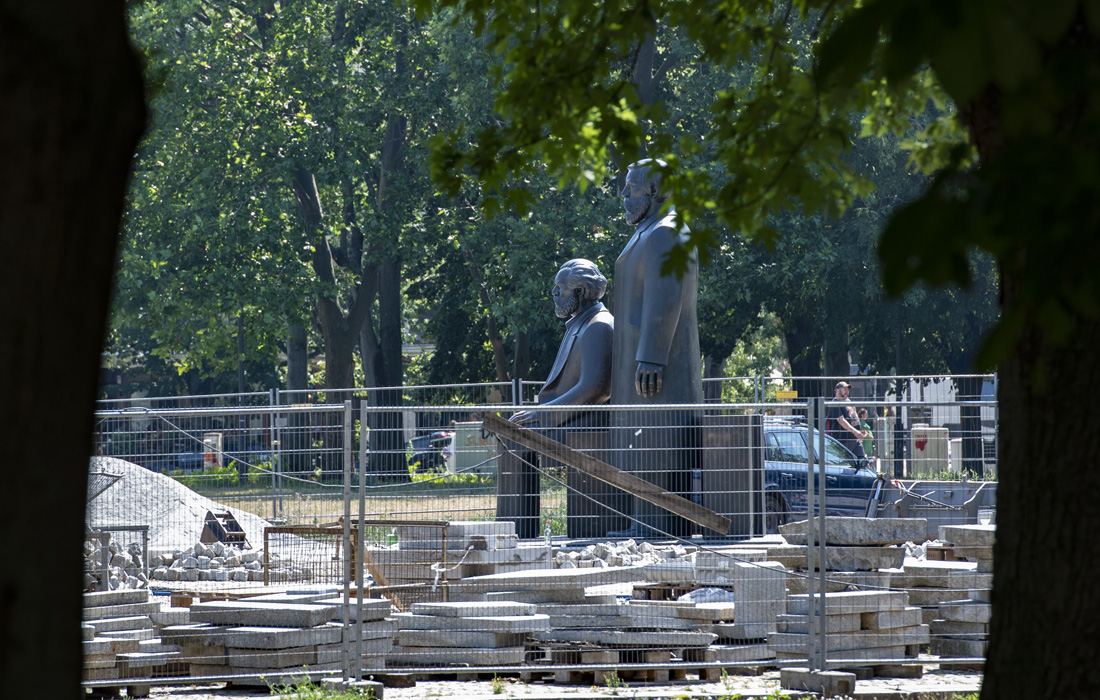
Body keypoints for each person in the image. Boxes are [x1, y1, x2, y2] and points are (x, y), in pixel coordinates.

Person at [608, 159, 703, 538]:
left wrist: (651, 354)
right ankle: (646, 522)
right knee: (643, 443)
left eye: (630, 188)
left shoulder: (668, 231)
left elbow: (667, 295)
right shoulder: (650, 230)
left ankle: (656, 525)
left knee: (656, 442)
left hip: (656, 362)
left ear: (653, 191)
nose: (624, 196)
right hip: (640, 355)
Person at [498, 259, 614, 537]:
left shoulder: (598, 326)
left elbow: (596, 388)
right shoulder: (581, 323)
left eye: (560, 288)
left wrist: (542, 413)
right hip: (572, 417)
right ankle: (515, 530)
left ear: (581, 292)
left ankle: (515, 532)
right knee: (511, 434)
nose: (554, 294)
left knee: (515, 439)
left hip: (588, 423)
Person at [827, 381, 868, 460]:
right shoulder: (835, 403)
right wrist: (855, 432)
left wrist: (859, 431)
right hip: (842, 442)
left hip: (852, 439)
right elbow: (841, 420)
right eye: (844, 389)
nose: (846, 391)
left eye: (847, 389)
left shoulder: (848, 402)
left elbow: (854, 417)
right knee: (860, 458)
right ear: (837, 390)